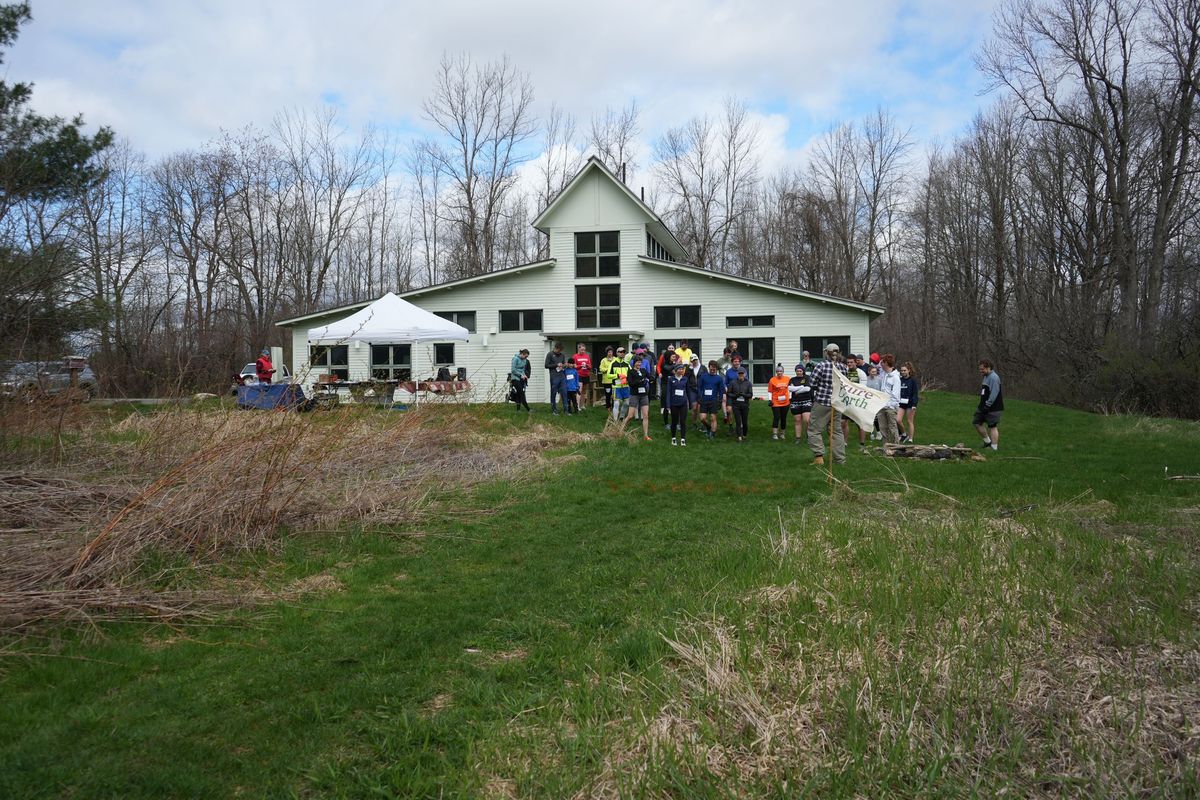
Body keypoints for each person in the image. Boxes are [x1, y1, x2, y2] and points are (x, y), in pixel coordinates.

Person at [808, 342, 848, 466]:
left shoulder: (821, 366)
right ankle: (840, 459)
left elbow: (812, 383)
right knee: (836, 431)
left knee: (814, 429)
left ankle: (819, 457)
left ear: (826, 353)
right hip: (837, 403)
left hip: (822, 402)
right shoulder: (843, 367)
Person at [621, 355, 654, 441]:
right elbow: (631, 383)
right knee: (630, 415)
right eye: (637, 362)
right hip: (634, 395)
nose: (639, 363)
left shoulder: (643, 370)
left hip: (644, 395)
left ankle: (646, 436)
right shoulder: (631, 372)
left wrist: (651, 379)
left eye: (640, 362)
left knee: (646, 415)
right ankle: (620, 430)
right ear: (634, 363)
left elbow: (649, 376)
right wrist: (640, 381)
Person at [974, 360, 1003, 451]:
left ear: (988, 367)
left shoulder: (994, 378)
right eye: (980, 369)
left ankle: (994, 447)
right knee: (976, 423)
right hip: (983, 406)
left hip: (993, 407)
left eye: (982, 369)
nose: (980, 371)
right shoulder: (986, 376)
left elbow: (994, 393)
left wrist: (988, 405)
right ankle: (987, 442)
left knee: (992, 426)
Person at [696, 360, 726, 440]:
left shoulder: (719, 378)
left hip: (713, 400)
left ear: (716, 369)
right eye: (711, 368)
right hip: (704, 400)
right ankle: (708, 427)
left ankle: (712, 433)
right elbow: (699, 387)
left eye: (714, 368)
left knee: (713, 418)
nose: (713, 370)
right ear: (709, 367)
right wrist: (699, 397)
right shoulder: (703, 376)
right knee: (702, 418)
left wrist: (720, 400)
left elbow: (721, 390)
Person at [876, 354, 901, 443]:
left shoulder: (895, 377)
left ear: (886, 363)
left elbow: (895, 395)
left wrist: (890, 405)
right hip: (882, 406)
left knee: (892, 428)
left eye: (882, 362)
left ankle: (895, 448)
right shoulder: (885, 375)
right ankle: (886, 447)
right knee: (882, 428)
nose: (880, 364)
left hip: (890, 407)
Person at [667, 362, 691, 446]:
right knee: (674, 421)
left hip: (683, 403)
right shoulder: (671, 379)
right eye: (680, 369)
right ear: (676, 370)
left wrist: (690, 403)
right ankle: (673, 438)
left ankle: (683, 439)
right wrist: (668, 405)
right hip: (674, 403)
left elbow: (688, 391)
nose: (681, 370)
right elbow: (668, 392)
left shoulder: (685, 379)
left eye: (682, 369)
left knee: (683, 421)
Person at [726, 365, 753, 442]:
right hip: (736, 404)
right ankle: (739, 436)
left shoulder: (748, 383)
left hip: (745, 404)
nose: (741, 375)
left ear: (745, 374)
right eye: (739, 374)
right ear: (737, 374)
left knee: (745, 421)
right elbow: (729, 393)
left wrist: (744, 395)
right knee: (738, 421)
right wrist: (735, 395)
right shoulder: (733, 382)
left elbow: (750, 394)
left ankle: (744, 434)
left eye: (742, 374)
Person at [789, 364, 813, 444]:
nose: (798, 372)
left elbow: (807, 389)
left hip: (806, 401)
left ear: (803, 371)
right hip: (795, 402)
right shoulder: (792, 379)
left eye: (800, 371)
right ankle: (798, 438)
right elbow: (790, 388)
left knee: (807, 420)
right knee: (797, 420)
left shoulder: (807, 378)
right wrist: (801, 387)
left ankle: (809, 436)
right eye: (797, 371)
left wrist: (796, 390)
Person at [607, 346, 631, 422]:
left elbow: (631, 374)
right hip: (616, 387)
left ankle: (621, 417)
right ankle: (615, 420)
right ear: (617, 353)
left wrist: (627, 379)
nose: (622, 353)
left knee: (627, 403)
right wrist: (617, 376)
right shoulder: (613, 363)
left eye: (623, 352)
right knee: (616, 403)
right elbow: (608, 375)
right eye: (620, 352)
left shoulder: (627, 364)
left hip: (626, 386)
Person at [768, 364, 791, 440]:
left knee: (783, 418)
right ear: (776, 372)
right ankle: (775, 434)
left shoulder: (787, 379)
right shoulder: (772, 380)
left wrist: (791, 398)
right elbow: (770, 391)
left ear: (783, 371)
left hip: (785, 402)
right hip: (776, 402)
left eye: (781, 371)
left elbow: (790, 389)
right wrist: (770, 400)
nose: (779, 372)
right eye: (777, 371)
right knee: (776, 417)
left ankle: (782, 434)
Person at [898, 361, 920, 443]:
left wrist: (914, 404)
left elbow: (915, 393)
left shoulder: (912, 381)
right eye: (902, 370)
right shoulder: (899, 380)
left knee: (909, 421)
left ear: (909, 370)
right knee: (898, 420)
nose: (903, 372)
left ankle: (910, 439)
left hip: (910, 404)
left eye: (904, 370)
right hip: (901, 403)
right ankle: (904, 434)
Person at [545, 342, 566, 414]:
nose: (560, 352)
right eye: (559, 350)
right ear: (556, 348)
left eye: (561, 350)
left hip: (562, 375)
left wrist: (563, 365)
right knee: (553, 392)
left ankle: (566, 410)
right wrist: (556, 365)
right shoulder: (550, 354)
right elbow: (546, 365)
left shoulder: (562, 355)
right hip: (554, 376)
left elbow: (563, 363)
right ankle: (554, 409)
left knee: (564, 392)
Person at [574, 343, 592, 409]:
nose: (583, 351)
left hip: (586, 375)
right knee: (579, 389)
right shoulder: (575, 356)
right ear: (578, 349)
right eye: (582, 350)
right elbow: (574, 366)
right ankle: (577, 406)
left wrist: (587, 366)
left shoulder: (587, 356)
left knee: (584, 390)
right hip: (579, 375)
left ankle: (582, 405)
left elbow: (590, 365)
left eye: (584, 350)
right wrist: (580, 366)